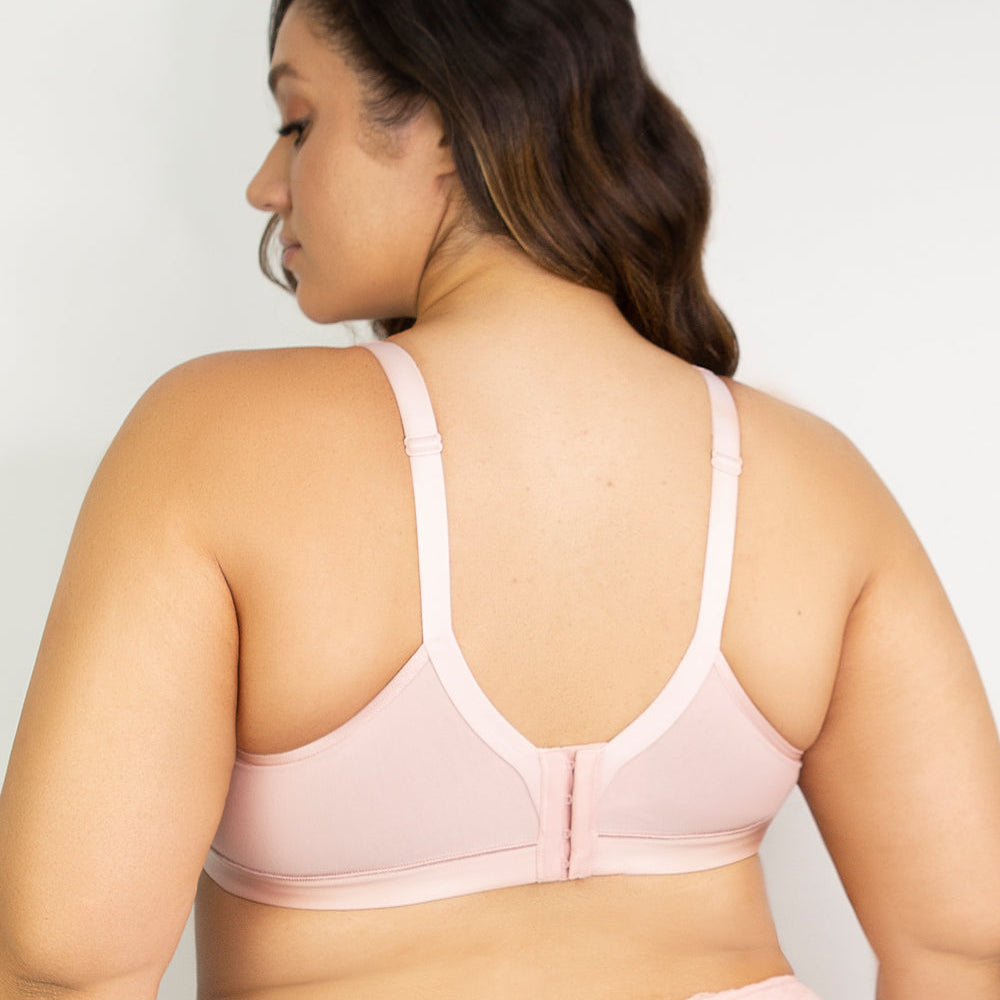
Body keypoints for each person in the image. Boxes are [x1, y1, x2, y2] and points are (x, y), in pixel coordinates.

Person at [1, 0, 999, 997]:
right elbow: (966, 946)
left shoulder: (212, 441)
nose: (267, 184)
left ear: (441, 126)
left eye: (298, 122)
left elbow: (64, 968)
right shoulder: (815, 478)